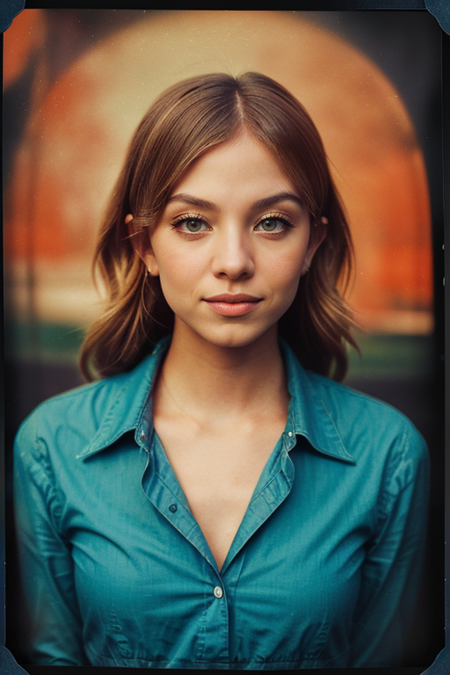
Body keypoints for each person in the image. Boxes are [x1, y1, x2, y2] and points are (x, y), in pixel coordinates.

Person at [14, 72, 429, 669]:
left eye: (272, 222)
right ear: (144, 245)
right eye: (192, 222)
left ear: (313, 243)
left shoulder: (389, 458)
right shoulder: (52, 448)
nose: (233, 262)